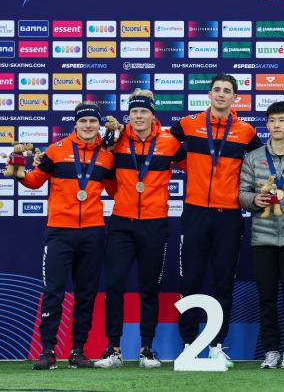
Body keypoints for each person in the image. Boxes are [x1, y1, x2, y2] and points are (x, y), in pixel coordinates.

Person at [170, 73, 262, 367]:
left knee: (224, 282)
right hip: (195, 212)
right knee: (191, 279)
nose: (221, 95)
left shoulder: (246, 132)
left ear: (235, 98)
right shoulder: (188, 124)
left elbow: (264, 162)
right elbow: (162, 148)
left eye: (227, 91)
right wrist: (190, 167)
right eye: (217, 90)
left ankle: (217, 345)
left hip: (229, 216)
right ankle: (187, 344)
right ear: (208, 94)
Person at [94, 90, 186, 369]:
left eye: (144, 112)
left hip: (155, 223)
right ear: (128, 116)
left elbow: (196, 166)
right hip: (121, 222)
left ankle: (147, 348)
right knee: (114, 285)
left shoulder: (169, 142)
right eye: (134, 112)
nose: (139, 116)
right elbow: (104, 173)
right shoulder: (117, 141)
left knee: (149, 288)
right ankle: (114, 349)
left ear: (152, 115)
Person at [19, 102, 115, 370]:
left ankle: (77, 351)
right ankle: (48, 350)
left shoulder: (107, 156)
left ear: (99, 125)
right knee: (53, 292)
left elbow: (117, 190)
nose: (87, 126)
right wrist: (18, 173)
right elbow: (35, 180)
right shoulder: (57, 150)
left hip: (93, 233)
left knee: (86, 293)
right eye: (83, 121)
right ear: (75, 124)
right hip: (60, 232)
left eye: (92, 122)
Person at [239, 101, 284, 369]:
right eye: (271, 120)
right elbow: (241, 194)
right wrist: (255, 199)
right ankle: (270, 350)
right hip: (263, 239)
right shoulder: (253, 157)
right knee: (266, 297)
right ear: (266, 124)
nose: (276, 125)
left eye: (282, 120)